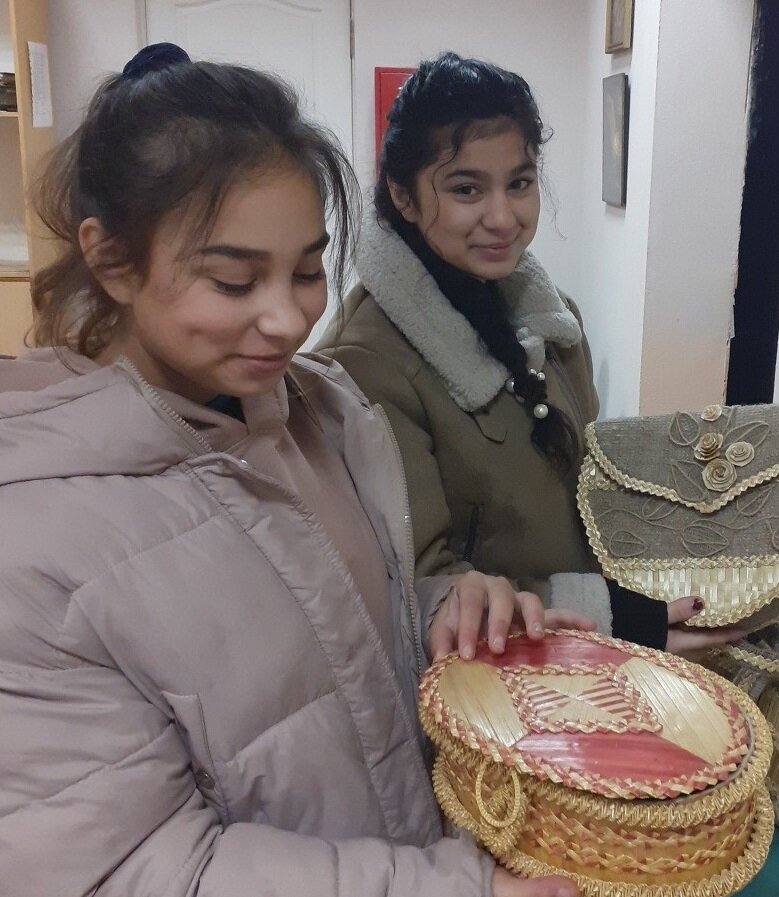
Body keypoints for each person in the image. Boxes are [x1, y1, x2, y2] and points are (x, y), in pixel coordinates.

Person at [0, 45, 589, 897]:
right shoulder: (33, 542)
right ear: (114, 261)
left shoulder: (320, 413)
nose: (287, 319)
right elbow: (132, 867)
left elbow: (344, 636)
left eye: (309, 270)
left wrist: (444, 607)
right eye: (234, 280)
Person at [318, 52, 740, 655]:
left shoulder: (554, 322)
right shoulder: (363, 362)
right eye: (466, 189)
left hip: (585, 661)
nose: (503, 217)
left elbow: (589, 493)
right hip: (489, 682)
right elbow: (422, 587)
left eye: (519, 183)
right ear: (402, 196)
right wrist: (620, 620)